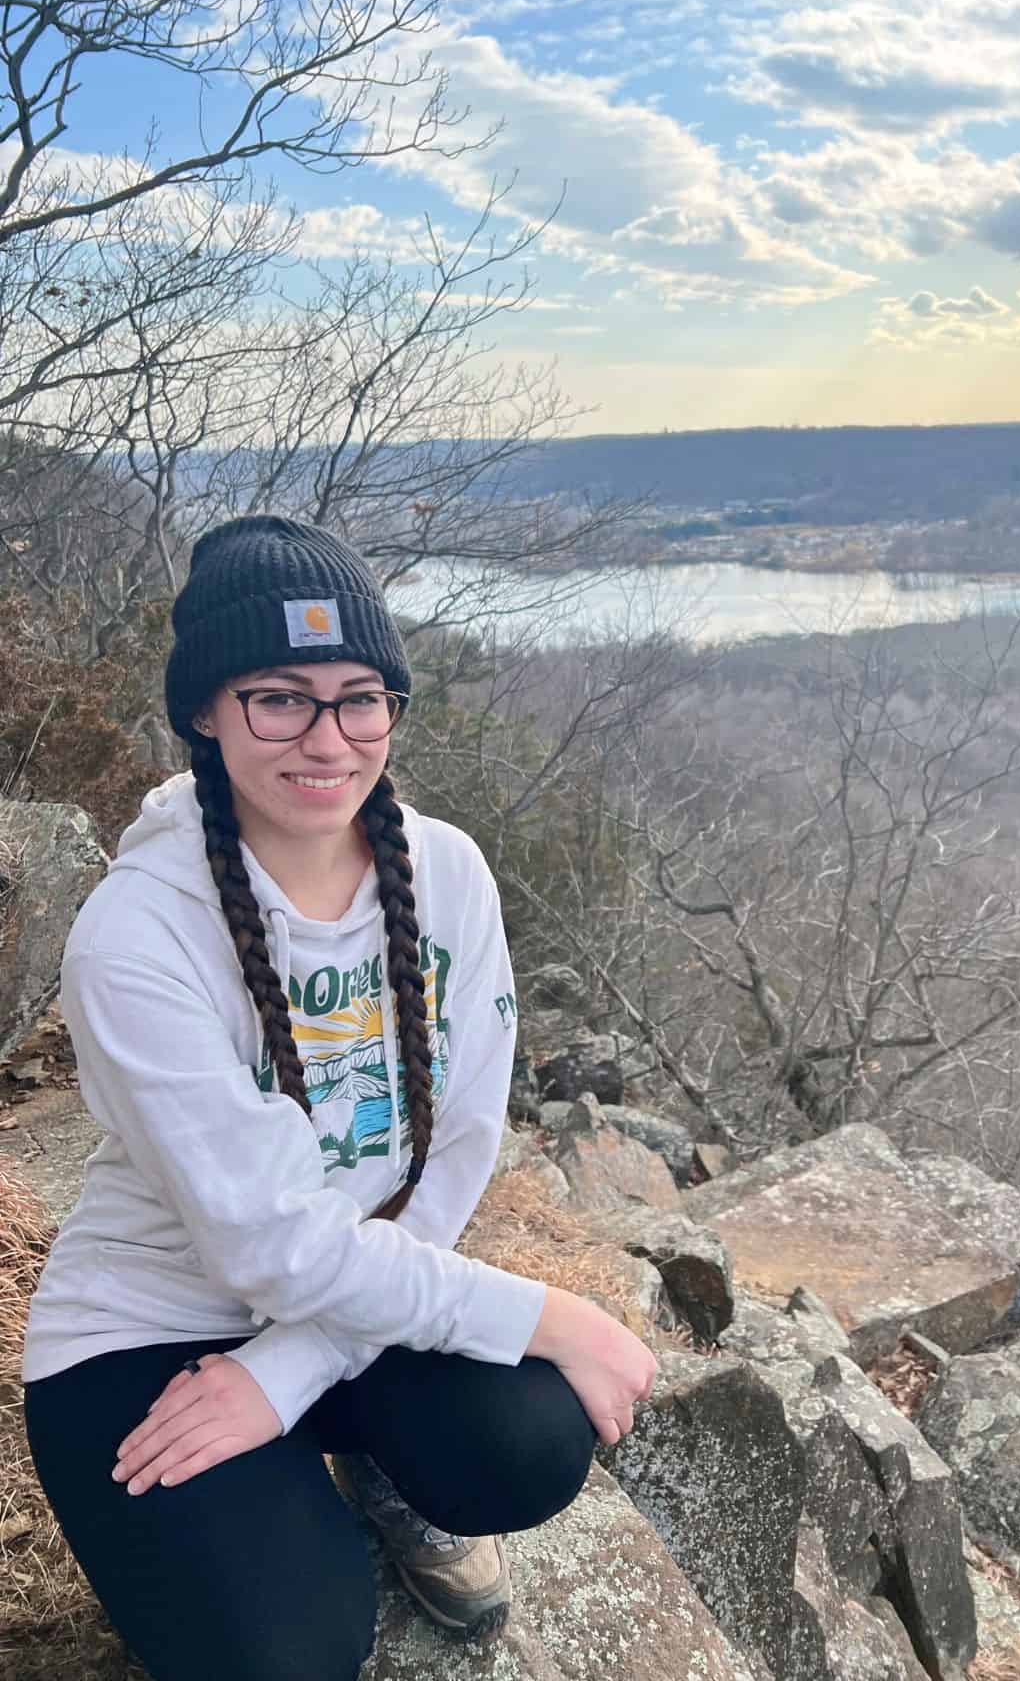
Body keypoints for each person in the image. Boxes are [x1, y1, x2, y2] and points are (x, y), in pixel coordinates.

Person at [21, 515, 657, 1681]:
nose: (328, 738)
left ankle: (361, 1457)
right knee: (282, 1656)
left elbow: (455, 1149)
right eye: (279, 697)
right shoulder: (138, 932)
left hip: (347, 1289)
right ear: (207, 711)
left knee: (525, 1449)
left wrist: (290, 1372)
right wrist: (556, 1316)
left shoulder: (448, 873)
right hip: (149, 1324)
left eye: (360, 697)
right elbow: (269, 1246)